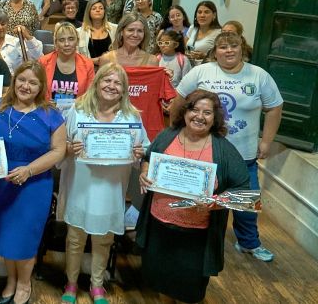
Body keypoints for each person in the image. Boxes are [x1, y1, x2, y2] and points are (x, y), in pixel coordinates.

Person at [171, 31, 283, 263]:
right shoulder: (202, 71)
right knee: (200, 198)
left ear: (242, 47)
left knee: (245, 201)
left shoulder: (258, 76)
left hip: (244, 153)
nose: (229, 51)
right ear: (215, 51)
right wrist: (176, 132)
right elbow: (179, 101)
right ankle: (193, 239)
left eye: (234, 46)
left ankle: (249, 242)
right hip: (203, 151)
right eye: (223, 47)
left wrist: (266, 141)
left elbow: (275, 108)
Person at [137, 90, 250, 303]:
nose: (199, 116)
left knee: (189, 292)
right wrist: (144, 172)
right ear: (185, 112)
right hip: (158, 227)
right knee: (162, 284)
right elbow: (147, 158)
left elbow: (245, 196)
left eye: (207, 112)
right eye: (194, 110)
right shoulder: (168, 135)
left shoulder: (224, 150)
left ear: (215, 118)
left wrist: (214, 202)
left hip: (196, 237)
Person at [58, 64, 149, 304]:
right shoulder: (77, 110)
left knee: (104, 239)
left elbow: (144, 148)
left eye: (117, 83)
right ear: (97, 83)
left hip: (111, 187)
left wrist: (139, 152)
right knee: (75, 238)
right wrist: (69, 148)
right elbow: (61, 146)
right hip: (81, 184)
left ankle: (97, 284)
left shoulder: (132, 116)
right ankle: (71, 283)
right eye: (106, 81)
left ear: (124, 90)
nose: (111, 86)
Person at [0, 61, 66, 304]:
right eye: (22, 80)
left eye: (33, 82)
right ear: (14, 80)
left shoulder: (51, 115)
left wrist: (29, 171)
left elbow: (58, 151)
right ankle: (10, 280)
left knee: (26, 236)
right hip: (1, 183)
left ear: (41, 87)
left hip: (34, 184)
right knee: (6, 233)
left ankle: (23, 282)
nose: (26, 86)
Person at [39, 22, 95, 113]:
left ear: (77, 41)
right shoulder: (44, 62)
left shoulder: (87, 64)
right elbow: (37, 92)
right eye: (61, 40)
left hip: (77, 112)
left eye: (71, 39)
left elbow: (90, 95)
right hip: (47, 112)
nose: (66, 44)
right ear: (56, 43)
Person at [0, 9, 43, 74]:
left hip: (13, 80)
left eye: (3, 24)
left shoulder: (16, 42)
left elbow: (37, 56)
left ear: (7, 25)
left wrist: (27, 36)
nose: (0, 27)